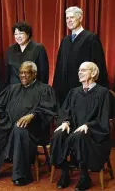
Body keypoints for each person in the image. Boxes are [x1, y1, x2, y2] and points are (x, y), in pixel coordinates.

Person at [0, 61, 57, 185]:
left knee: (19, 130)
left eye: (26, 73)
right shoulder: (12, 88)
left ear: (34, 74)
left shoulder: (44, 89)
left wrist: (32, 115)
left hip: (33, 127)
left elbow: (48, 109)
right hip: (9, 123)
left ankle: (21, 175)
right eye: (21, 72)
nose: (22, 75)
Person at [50, 62, 111, 190]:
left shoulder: (103, 93)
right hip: (73, 129)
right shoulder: (74, 92)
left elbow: (104, 118)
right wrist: (66, 122)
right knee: (58, 134)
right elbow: (65, 111)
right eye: (79, 70)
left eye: (83, 70)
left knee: (79, 135)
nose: (79, 72)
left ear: (93, 73)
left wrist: (88, 125)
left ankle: (84, 176)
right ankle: (65, 171)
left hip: (93, 135)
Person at [53, 6, 109, 105]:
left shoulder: (91, 38)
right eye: (67, 18)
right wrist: (56, 91)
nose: (69, 21)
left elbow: (98, 66)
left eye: (72, 17)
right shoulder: (65, 41)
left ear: (80, 18)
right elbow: (59, 67)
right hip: (65, 93)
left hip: (84, 92)